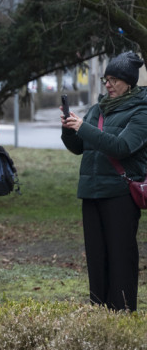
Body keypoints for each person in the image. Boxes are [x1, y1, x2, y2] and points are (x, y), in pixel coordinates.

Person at [62, 51, 147, 312]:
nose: (108, 84)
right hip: (91, 192)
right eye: (106, 79)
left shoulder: (141, 111)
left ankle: (122, 315)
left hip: (120, 194)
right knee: (96, 260)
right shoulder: (97, 110)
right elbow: (79, 147)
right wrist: (69, 129)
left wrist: (83, 127)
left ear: (129, 82)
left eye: (114, 80)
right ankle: (98, 316)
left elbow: (122, 146)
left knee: (121, 259)